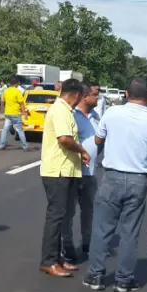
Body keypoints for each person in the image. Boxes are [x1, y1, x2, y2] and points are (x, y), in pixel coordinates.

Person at [83, 77, 147, 292]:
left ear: (126, 94)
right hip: (139, 179)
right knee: (130, 232)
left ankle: (95, 276)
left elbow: (98, 140)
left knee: (102, 229)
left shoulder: (111, 113)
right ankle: (124, 279)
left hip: (112, 177)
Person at [38, 79, 88, 277]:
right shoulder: (60, 111)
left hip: (65, 170)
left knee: (61, 217)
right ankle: (48, 260)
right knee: (56, 217)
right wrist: (82, 151)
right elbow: (65, 139)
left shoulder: (65, 111)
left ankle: (57, 258)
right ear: (76, 95)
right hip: (57, 171)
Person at [62, 81, 102, 262]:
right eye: (95, 94)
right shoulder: (71, 116)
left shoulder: (97, 116)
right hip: (73, 171)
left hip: (89, 173)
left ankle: (87, 242)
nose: (98, 97)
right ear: (84, 96)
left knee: (89, 210)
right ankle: (67, 246)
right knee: (68, 211)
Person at [0, 77, 30, 151]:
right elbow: (21, 104)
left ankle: (1, 145)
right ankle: (25, 146)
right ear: (16, 84)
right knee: (20, 130)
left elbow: (3, 102)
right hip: (16, 114)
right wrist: (25, 114)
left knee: (5, 130)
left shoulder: (5, 91)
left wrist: (5, 110)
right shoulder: (17, 92)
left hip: (8, 114)